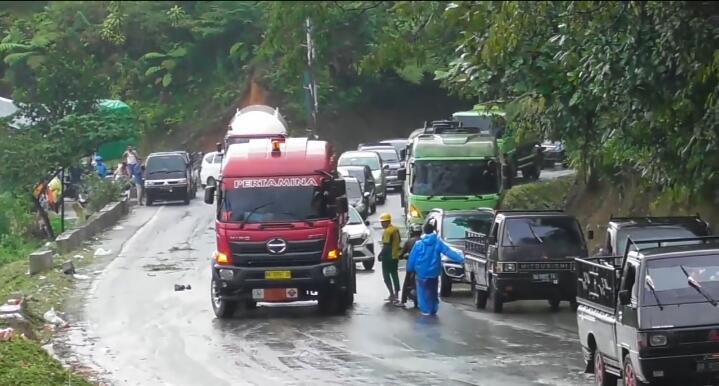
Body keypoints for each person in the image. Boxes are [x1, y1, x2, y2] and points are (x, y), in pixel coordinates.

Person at [407, 219, 464, 316]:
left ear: (424, 231)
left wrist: (410, 269)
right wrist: (461, 260)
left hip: (421, 273)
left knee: (422, 293)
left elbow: (412, 258)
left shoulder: (419, 244)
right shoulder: (437, 243)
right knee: (432, 291)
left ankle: (426, 310)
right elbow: (448, 252)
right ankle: (433, 309)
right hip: (433, 273)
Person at [378, 213, 402, 305]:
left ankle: (391, 294)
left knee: (386, 276)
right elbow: (398, 242)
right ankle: (396, 294)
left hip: (388, 257)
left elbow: (386, 246)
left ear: (388, 221)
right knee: (394, 275)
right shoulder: (395, 229)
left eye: (383, 222)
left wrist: (380, 255)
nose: (382, 224)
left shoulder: (388, 231)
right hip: (395, 256)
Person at [400, 223, 423, 307]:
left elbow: (401, 254)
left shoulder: (409, 241)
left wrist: (403, 256)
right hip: (422, 267)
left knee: (406, 282)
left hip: (412, 266)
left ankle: (403, 301)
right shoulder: (423, 241)